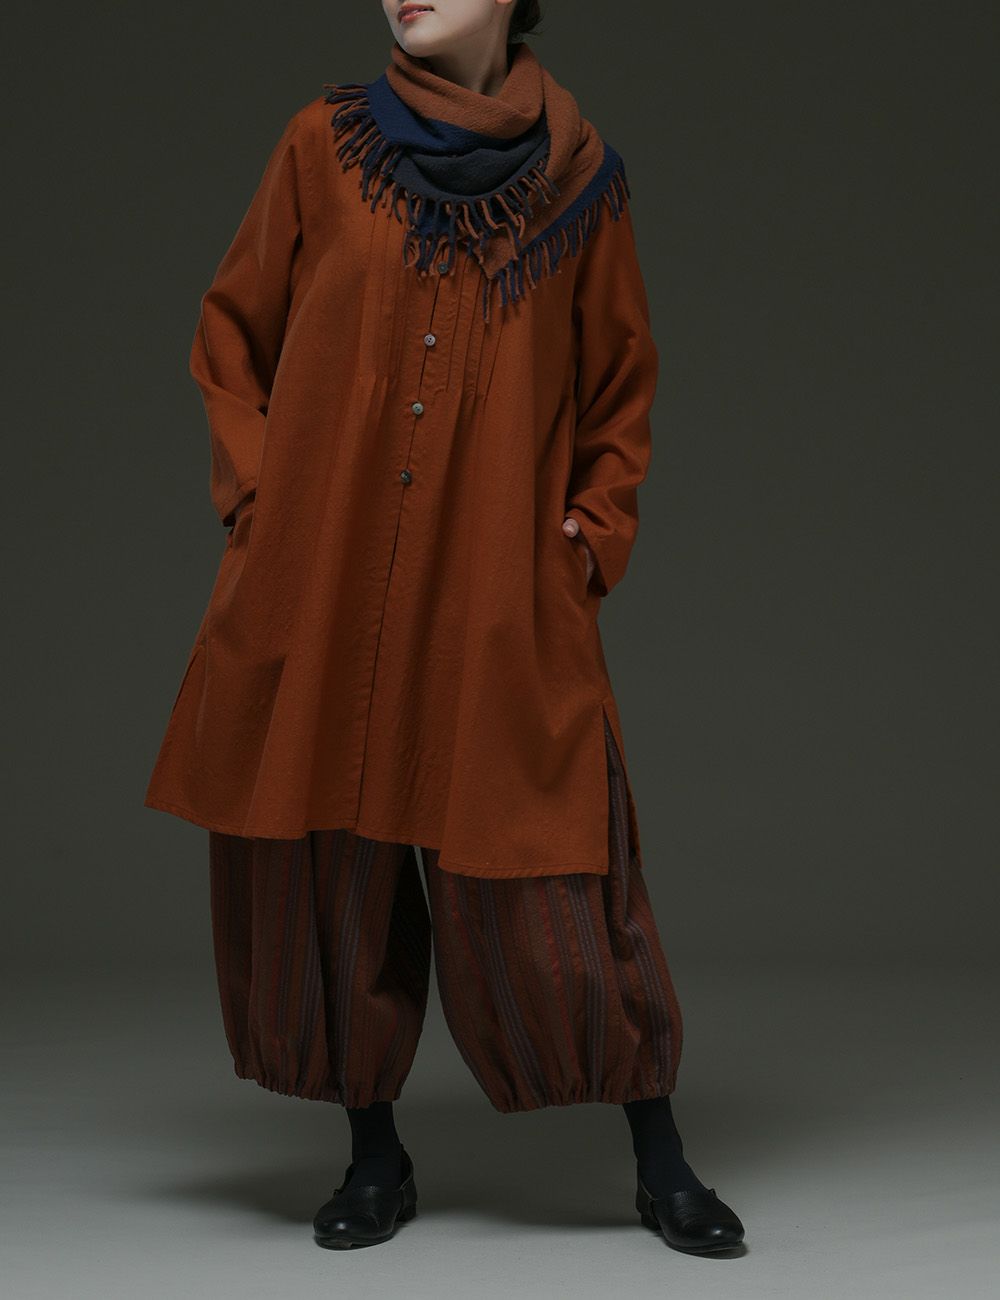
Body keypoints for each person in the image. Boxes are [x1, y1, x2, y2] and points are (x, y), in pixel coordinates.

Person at [145, 0, 746, 1255]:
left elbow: (620, 386)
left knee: (555, 877)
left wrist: (588, 535)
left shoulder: (581, 183)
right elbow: (230, 334)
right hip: (324, 578)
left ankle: (659, 1153)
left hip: (492, 584)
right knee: (327, 872)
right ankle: (373, 1154)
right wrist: (262, 502)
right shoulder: (324, 145)